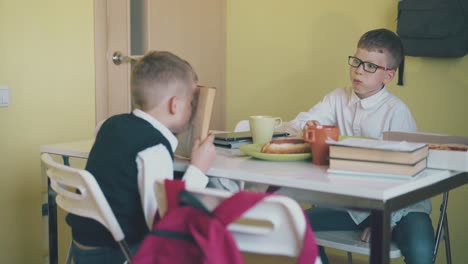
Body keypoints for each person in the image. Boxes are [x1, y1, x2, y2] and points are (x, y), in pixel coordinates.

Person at [280, 29, 434, 264]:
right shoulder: (337, 98)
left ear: (388, 76)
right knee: (296, 226)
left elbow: (408, 176)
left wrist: (384, 223)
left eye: (370, 66)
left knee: (421, 250)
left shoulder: (397, 112)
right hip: (356, 207)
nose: (359, 70)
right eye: (356, 61)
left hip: (403, 208)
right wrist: (306, 126)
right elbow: (296, 123)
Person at [66, 51, 217, 264]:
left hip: (82, 247)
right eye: (192, 102)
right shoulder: (153, 149)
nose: (192, 109)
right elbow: (163, 222)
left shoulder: (109, 124)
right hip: (116, 254)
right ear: (174, 105)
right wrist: (198, 169)